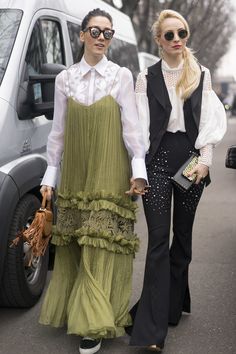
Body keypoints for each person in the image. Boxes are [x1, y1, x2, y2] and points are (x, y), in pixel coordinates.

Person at [39, 8, 147, 354]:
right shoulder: (64, 79)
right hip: (75, 172)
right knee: (76, 241)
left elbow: (132, 127)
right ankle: (81, 309)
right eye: (96, 31)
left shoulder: (121, 76)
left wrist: (139, 170)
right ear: (82, 35)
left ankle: (94, 323)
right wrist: (49, 176)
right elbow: (58, 132)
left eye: (108, 33)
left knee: (100, 242)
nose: (102, 38)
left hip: (109, 171)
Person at [126, 9, 227, 352]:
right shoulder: (145, 78)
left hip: (189, 159)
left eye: (181, 32)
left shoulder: (201, 73)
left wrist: (206, 161)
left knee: (181, 240)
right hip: (156, 160)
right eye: (169, 35)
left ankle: (170, 306)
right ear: (158, 40)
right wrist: (138, 171)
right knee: (157, 243)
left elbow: (210, 122)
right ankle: (152, 331)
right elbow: (139, 131)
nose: (177, 39)